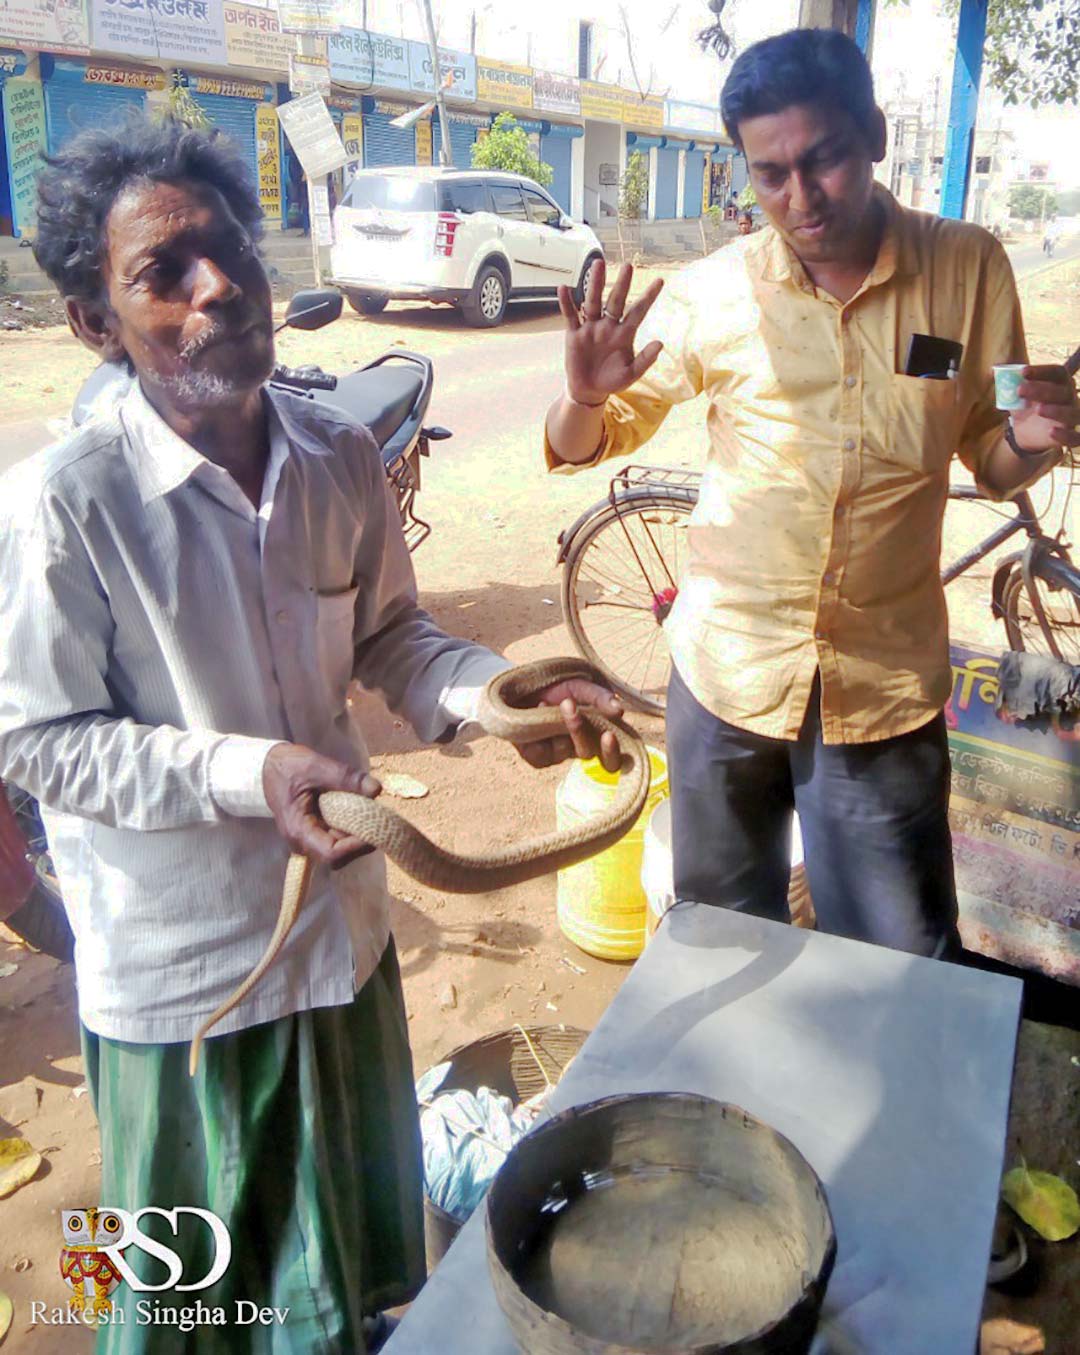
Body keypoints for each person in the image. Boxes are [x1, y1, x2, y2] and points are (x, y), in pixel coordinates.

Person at [0, 117, 620, 1354]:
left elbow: (394, 636)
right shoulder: (65, 505)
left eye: (227, 248)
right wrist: (249, 773)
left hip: (342, 945)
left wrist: (499, 696)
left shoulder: (339, 455)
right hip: (188, 980)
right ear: (91, 322)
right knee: (197, 1302)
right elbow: (40, 741)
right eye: (161, 274)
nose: (216, 285)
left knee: (339, 1268)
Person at [544, 29, 1080, 960]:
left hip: (881, 686)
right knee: (720, 944)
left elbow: (989, 457)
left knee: (899, 956)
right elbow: (580, 446)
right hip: (725, 676)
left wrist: (1030, 439)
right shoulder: (715, 293)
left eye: (822, 158)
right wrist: (583, 397)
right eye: (770, 173)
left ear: (872, 133)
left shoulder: (968, 268)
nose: (800, 198)